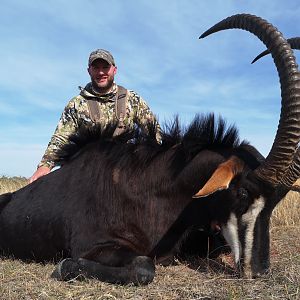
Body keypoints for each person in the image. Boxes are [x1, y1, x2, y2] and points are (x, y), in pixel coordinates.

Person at [29, 49, 161, 183]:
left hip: (124, 174)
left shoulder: (132, 99)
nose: (101, 72)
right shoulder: (77, 104)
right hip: (88, 175)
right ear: (89, 71)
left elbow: (153, 131)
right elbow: (61, 137)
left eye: (105, 67)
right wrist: (45, 166)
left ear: (114, 70)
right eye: (96, 68)